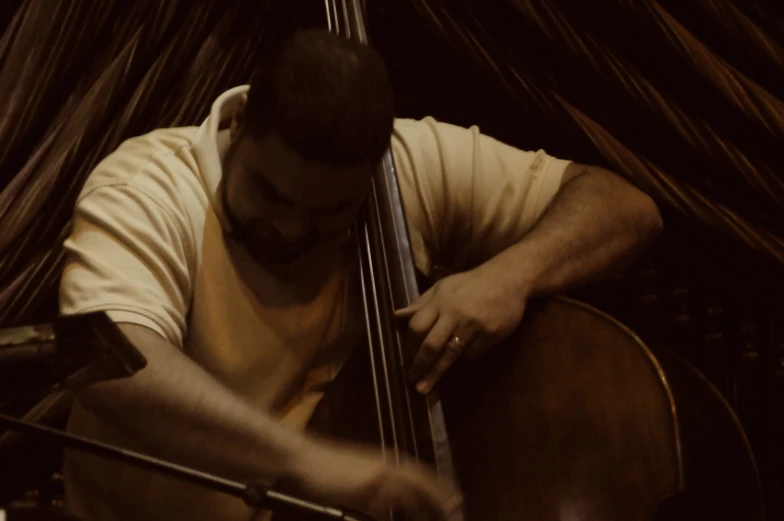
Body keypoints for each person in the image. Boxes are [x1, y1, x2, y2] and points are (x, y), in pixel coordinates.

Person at [58, 29, 663, 521]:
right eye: (270, 194)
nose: (293, 230)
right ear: (240, 121)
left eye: (329, 213)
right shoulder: (150, 189)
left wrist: (511, 275)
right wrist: (310, 461)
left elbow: (625, 210)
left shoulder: (407, 165)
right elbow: (113, 367)